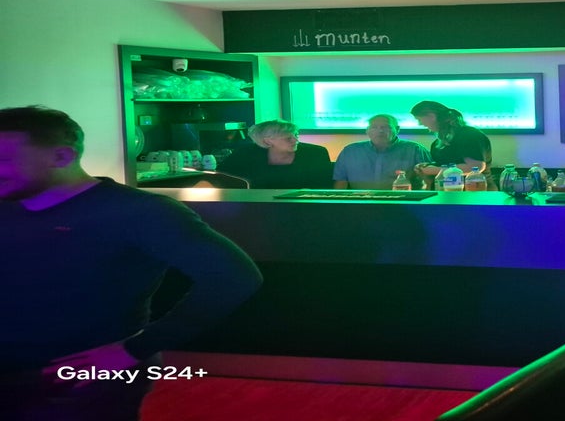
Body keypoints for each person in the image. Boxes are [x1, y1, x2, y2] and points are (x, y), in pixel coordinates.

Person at [0, 106, 263, 420]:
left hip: (79, 376)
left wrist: (134, 350)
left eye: (4, 159)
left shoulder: (139, 211)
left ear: (62, 156)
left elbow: (234, 277)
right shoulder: (8, 206)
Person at [218, 119, 333, 189]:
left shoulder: (315, 153)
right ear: (268, 141)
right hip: (258, 205)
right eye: (288, 138)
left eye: (296, 135)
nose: (295, 140)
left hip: (303, 205)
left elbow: (323, 186)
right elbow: (221, 177)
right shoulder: (246, 154)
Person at [333, 114, 432, 190]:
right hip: (360, 203)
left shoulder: (415, 149)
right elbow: (340, 183)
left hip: (404, 203)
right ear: (367, 131)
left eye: (386, 127)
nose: (380, 131)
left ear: (397, 129)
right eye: (374, 127)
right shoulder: (350, 151)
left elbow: (429, 182)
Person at [409, 101, 492, 187]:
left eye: (419, 119)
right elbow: (449, 163)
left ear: (431, 116)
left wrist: (433, 170)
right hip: (448, 191)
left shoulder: (469, 135)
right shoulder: (437, 143)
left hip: (474, 191)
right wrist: (429, 166)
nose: (420, 124)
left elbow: (475, 167)